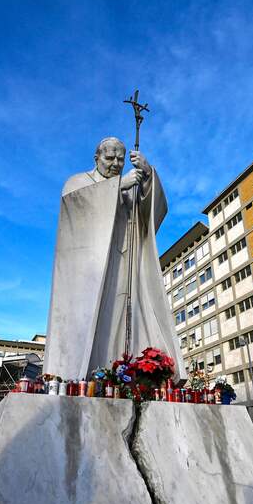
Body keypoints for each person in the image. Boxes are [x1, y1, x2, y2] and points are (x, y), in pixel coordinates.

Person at [43, 137, 185, 381]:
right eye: (110, 158)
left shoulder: (131, 187)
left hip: (127, 268)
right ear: (96, 158)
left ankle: (126, 374)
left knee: (126, 320)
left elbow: (152, 213)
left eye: (121, 159)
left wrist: (148, 174)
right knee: (97, 323)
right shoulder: (78, 183)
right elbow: (73, 211)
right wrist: (117, 186)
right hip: (94, 271)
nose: (116, 164)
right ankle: (81, 377)